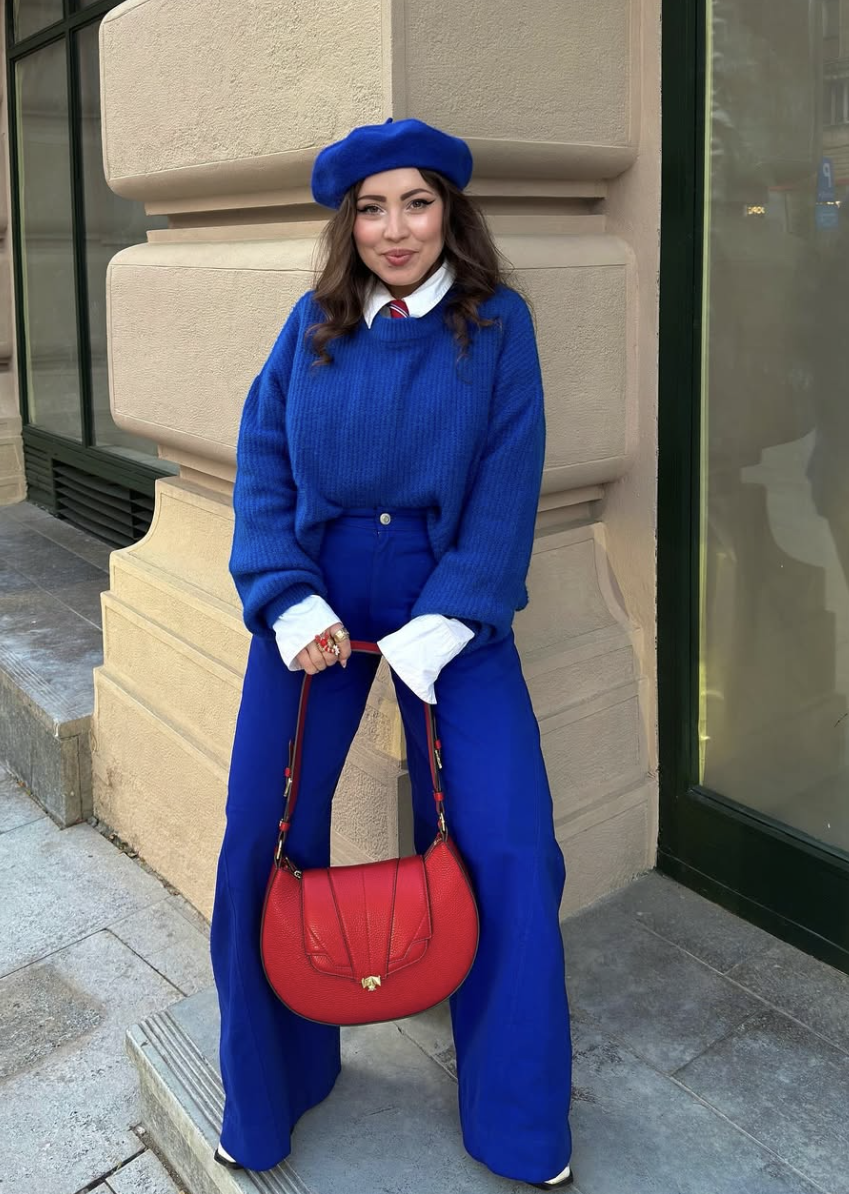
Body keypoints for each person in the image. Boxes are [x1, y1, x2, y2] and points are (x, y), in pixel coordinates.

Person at [209, 117, 574, 1189]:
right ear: (349, 224)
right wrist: (283, 597)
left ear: (450, 211)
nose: (395, 229)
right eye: (371, 209)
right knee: (261, 829)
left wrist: (449, 617)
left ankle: (517, 1121)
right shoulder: (312, 327)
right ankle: (271, 1088)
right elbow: (261, 464)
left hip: (449, 590)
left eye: (416, 203)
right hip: (315, 590)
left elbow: (510, 478)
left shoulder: (497, 326)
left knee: (509, 838)